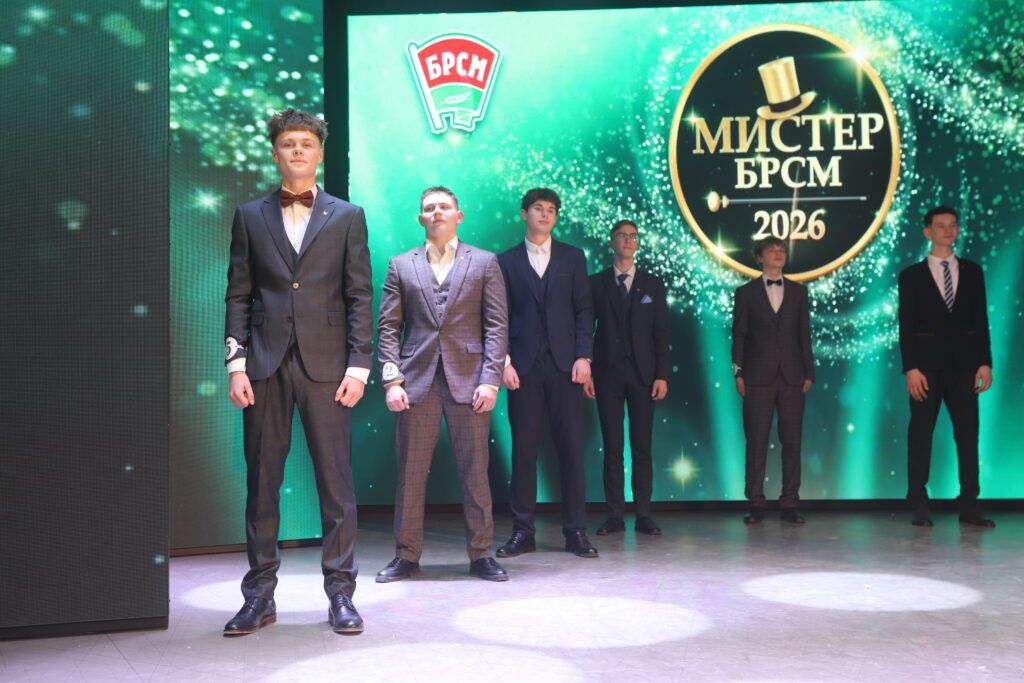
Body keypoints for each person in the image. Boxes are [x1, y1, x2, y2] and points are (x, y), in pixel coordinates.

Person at [223, 108, 372, 635]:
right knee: (262, 484)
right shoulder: (249, 215)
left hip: (328, 366)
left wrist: (359, 365)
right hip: (264, 365)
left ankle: (341, 595)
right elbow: (238, 293)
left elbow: (359, 295)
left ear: (320, 153)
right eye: (289, 144)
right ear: (275, 153)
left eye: (306, 143)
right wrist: (235, 364)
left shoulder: (347, 216)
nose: (298, 151)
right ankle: (258, 597)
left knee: (336, 485)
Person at [375, 186, 510, 582]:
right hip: (415, 382)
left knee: (475, 472)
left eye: (444, 207)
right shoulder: (401, 264)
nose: (437, 212)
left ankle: (481, 554)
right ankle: (406, 555)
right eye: (429, 208)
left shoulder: (484, 262)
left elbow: (497, 326)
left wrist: (491, 381)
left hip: (470, 383)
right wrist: (391, 380)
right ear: (421, 218)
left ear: (458, 215)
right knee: (410, 474)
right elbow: (388, 328)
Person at [497, 188, 598, 558]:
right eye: (538, 209)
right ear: (524, 214)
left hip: (565, 367)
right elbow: (498, 316)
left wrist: (584, 356)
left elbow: (584, 310)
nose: (545, 214)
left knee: (571, 450)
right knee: (523, 451)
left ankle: (576, 531)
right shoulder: (504, 261)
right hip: (522, 369)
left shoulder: (573, 257)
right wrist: (504, 362)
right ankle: (522, 532)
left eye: (551, 210)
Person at [898, 206, 994, 527]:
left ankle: (969, 503)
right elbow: (906, 324)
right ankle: (918, 501)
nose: (948, 231)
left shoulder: (973, 271)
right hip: (925, 369)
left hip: (965, 367)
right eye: (941, 226)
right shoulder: (911, 275)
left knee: (967, 435)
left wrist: (985, 362)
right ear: (928, 232)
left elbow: (980, 320)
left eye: (953, 225)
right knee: (920, 434)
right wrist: (911, 368)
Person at [583, 220, 670, 536]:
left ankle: (643, 513)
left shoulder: (652, 284)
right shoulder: (595, 283)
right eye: (622, 236)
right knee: (613, 447)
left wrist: (662, 375)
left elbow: (661, 334)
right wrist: (587, 369)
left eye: (633, 236)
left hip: (644, 376)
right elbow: (585, 330)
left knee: (642, 446)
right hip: (606, 374)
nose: (628, 240)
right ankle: (615, 514)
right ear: (611, 242)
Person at [731, 236, 814, 524]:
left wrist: (809, 371)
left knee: (792, 441)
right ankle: (755, 502)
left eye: (782, 250)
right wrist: (738, 371)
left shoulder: (799, 292)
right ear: (759, 257)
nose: (778, 254)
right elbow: (739, 334)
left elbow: (804, 334)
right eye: (772, 250)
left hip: (792, 376)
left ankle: (789, 502)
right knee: (756, 441)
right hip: (757, 376)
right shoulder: (745, 293)